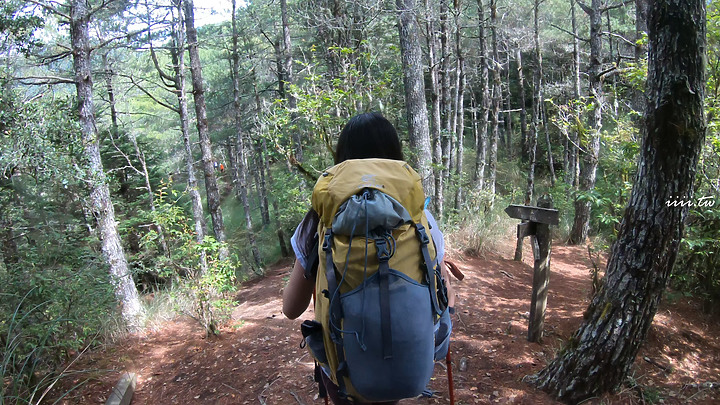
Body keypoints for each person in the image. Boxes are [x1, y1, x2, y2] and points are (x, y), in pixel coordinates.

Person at [282, 112, 455, 405]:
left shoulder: (317, 224)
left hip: (343, 365)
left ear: (342, 161)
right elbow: (445, 301)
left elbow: (291, 308)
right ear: (394, 158)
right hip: (405, 362)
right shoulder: (421, 221)